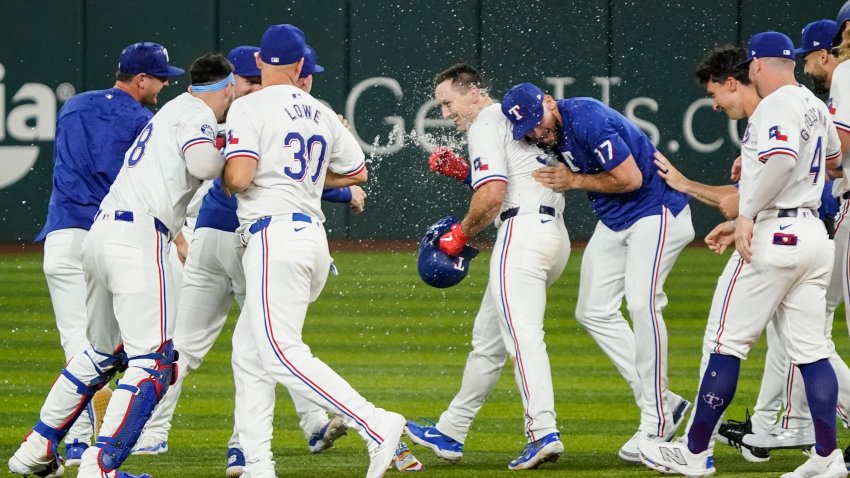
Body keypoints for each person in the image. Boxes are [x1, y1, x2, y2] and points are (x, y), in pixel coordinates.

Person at [132, 43, 381, 477]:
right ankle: (261, 445)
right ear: (246, 80)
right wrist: (340, 187)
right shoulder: (264, 110)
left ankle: (145, 429)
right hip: (251, 239)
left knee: (195, 346)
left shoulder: (219, 114)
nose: (308, 79)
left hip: (209, 232)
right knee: (268, 345)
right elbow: (268, 177)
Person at [8, 52, 234, 478]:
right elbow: (204, 163)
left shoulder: (168, 111)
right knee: (154, 361)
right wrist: (234, 160)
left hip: (100, 234)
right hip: (138, 238)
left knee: (99, 354)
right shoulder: (196, 112)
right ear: (224, 89)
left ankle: (35, 449)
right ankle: (101, 465)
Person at [638, 31, 846, 478]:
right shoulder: (813, 103)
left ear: (754, 66)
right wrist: (757, 182)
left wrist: (749, 212)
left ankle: (694, 454)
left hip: (775, 236)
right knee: (811, 352)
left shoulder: (774, 105)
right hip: (813, 234)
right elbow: (833, 163)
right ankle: (827, 457)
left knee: (724, 343)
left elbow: (783, 159)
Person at [222, 24, 404, 478]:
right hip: (311, 241)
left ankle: (376, 424)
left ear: (260, 62)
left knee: (282, 353)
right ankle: (258, 463)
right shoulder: (320, 110)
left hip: (274, 240)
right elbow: (357, 172)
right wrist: (296, 179)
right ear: (302, 65)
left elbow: (241, 179)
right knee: (249, 353)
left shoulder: (248, 106)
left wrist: (228, 173)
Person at [500, 81, 694, 461]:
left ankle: (656, 422)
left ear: (550, 102)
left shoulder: (585, 116)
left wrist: (572, 180)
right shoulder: (547, 135)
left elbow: (631, 178)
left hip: (656, 210)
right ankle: (665, 402)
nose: (539, 133)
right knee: (593, 309)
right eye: (531, 130)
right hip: (617, 220)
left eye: (539, 122)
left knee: (642, 304)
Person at [404, 63, 570, 471]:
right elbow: (512, 180)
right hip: (552, 234)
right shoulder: (506, 120)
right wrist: (465, 175)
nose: (445, 113)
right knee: (489, 342)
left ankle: (543, 432)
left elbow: (493, 196)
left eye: (448, 102)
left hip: (523, 234)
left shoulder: (484, 123)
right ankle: (451, 430)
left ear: (474, 92)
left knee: (523, 337)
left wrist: (459, 234)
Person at [30, 41, 181, 467]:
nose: (164, 85)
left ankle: (74, 443)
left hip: (61, 237)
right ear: (141, 79)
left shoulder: (74, 107)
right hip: (108, 239)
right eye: (160, 78)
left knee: (76, 343)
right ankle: (101, 442)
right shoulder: (141, 120)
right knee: (111, 347)